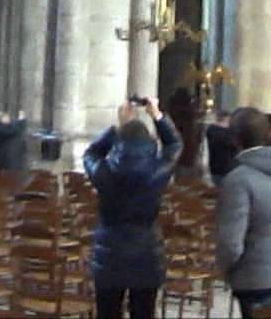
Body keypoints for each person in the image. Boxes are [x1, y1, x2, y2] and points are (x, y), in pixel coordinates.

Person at [83, 97, 181, 319]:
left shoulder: (105, 171)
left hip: (110, 251)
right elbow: (175, 145)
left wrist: (118, 126)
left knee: (107, 312)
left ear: (119, 142)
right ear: (149, 142)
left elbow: (90, 153)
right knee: (143, 312)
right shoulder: (157, 171)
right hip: (145, 251)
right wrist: (156, 115)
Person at [215, 107, 271, 319]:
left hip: (252, 276)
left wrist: (224, 268)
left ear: (236, 139)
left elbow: (231, 242)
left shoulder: (239, 179)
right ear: (269, 134)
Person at [205, 111, 237, 186]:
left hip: (214, 168)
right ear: (227, 119)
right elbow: (233, 146)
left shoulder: (211, 130)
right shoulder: (226, 134)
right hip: (226, 168)